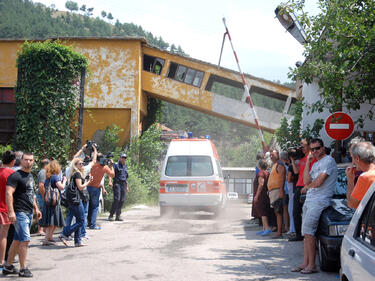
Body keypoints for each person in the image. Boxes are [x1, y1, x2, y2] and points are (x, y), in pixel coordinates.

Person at [292, 138, 337, 274]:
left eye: (317, 148)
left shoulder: (329, 161)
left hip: (320, 200)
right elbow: (306, 180)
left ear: (323, 148)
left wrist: (308, 187)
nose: (315, 151)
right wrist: (308, 163)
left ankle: (312, 265)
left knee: (309, 233)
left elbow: (319, 182)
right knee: (306, 233)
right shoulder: (316, 163)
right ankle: (306, 263)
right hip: (311, 200)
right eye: (312, 149)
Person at [3, 152, 42, 277]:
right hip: (20, 212)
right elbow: (8, 193)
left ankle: (8, 266)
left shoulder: (30, 176)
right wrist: (11, 211)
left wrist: (36, 208)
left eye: (31, 160)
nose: (28, 162)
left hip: (28, 212)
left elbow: (31, 194)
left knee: (17, 240)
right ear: (21, 160)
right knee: (25, 240)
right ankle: (23, 268)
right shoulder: (16, 176)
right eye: (26, 160)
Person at [59, 158, 93, 247]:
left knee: (78, 220)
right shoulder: (77, 174)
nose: (82, 165)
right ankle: (65, 234)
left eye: (82, 163)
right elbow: (80, 187)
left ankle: (77, 241)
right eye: (80, 164)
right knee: (81, 221)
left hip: (74, 200)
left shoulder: (76, 174)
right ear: (75, 165)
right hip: (75, 200)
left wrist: (86, 179)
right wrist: (88, 182)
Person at [289, 139, 316, 242]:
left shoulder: (313, 158)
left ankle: (307, 234)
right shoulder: (302, 159)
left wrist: (308, 186)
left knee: (307, 212)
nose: (301, 148)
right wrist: (292, 159)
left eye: (303, 145)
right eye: (301, 146)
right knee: (296, 211)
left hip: (307, 187)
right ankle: (298, 234)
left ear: (309, 146)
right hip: (299, 186)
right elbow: (296, 171)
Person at [39, 160, 66, 245]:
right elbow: (61, 187)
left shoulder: (48, 177)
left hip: (49, 201)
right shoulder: (54, 177)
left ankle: (49, 237)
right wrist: (64, 180)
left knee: (53, 221)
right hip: (54, 202)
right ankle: (46, 239)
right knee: (52, 221)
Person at [87, 153, 114, 229]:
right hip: (96, 188)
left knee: (88, 206)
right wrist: (111, 167)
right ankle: (93, 224)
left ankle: (87, 223)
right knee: (95, 207)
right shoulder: (104, 167)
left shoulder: (91, 165)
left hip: (87, 187)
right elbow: (112, 175)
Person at [346, 142, 375, 209]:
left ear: (357, 159)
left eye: (352, 158)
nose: (352, 162)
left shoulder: (365, 177)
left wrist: (350, 180)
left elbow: (351, 204)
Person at [0, 151, 16, 269]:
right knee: (4, 235)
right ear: (13, 161)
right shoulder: (12, 173)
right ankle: (2, 261)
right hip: (6, 207)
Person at [267, 149, 286, 238]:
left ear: (278, 155)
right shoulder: (274, 165)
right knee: (276, 211)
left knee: (278, 211)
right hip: (273, 191)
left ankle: (279, 232)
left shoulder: (280, 164)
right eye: (270, 155)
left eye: (273, 154)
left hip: (277, 190)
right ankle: (280, 230)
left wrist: (281, 190)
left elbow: (282, 178)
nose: (271, 156)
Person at [253, 159, 272, 236]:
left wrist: (256, 195)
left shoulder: (261, 173)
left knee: (262, 211)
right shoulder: (267, 173)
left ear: (259, 166)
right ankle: (264, 228)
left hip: (261, 195)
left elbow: (261, 184)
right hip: (266, 194)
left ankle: (267, 228)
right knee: (263, 210)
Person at [108, 153, 129, 221]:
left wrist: (127, 186)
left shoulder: (125, 166)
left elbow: (125, 177)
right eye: (122, 157)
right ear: (120, 158)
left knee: (122, 200)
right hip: (117, 183)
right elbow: (111, 173)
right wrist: (110, 181)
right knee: (117, 199)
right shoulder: (116, 165)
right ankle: (111, 215)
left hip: (123, 184)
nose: (123, 159)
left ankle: (118, 216)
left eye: (125, 158)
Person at [36, 158, 49, 236]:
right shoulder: (43, 172)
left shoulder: (43, 172)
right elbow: (41, 185)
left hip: (42, 195)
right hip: (41, 195)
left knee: (43, 212)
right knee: (41, 211)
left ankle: (43, 229)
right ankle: (40, 230)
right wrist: (44, 197)